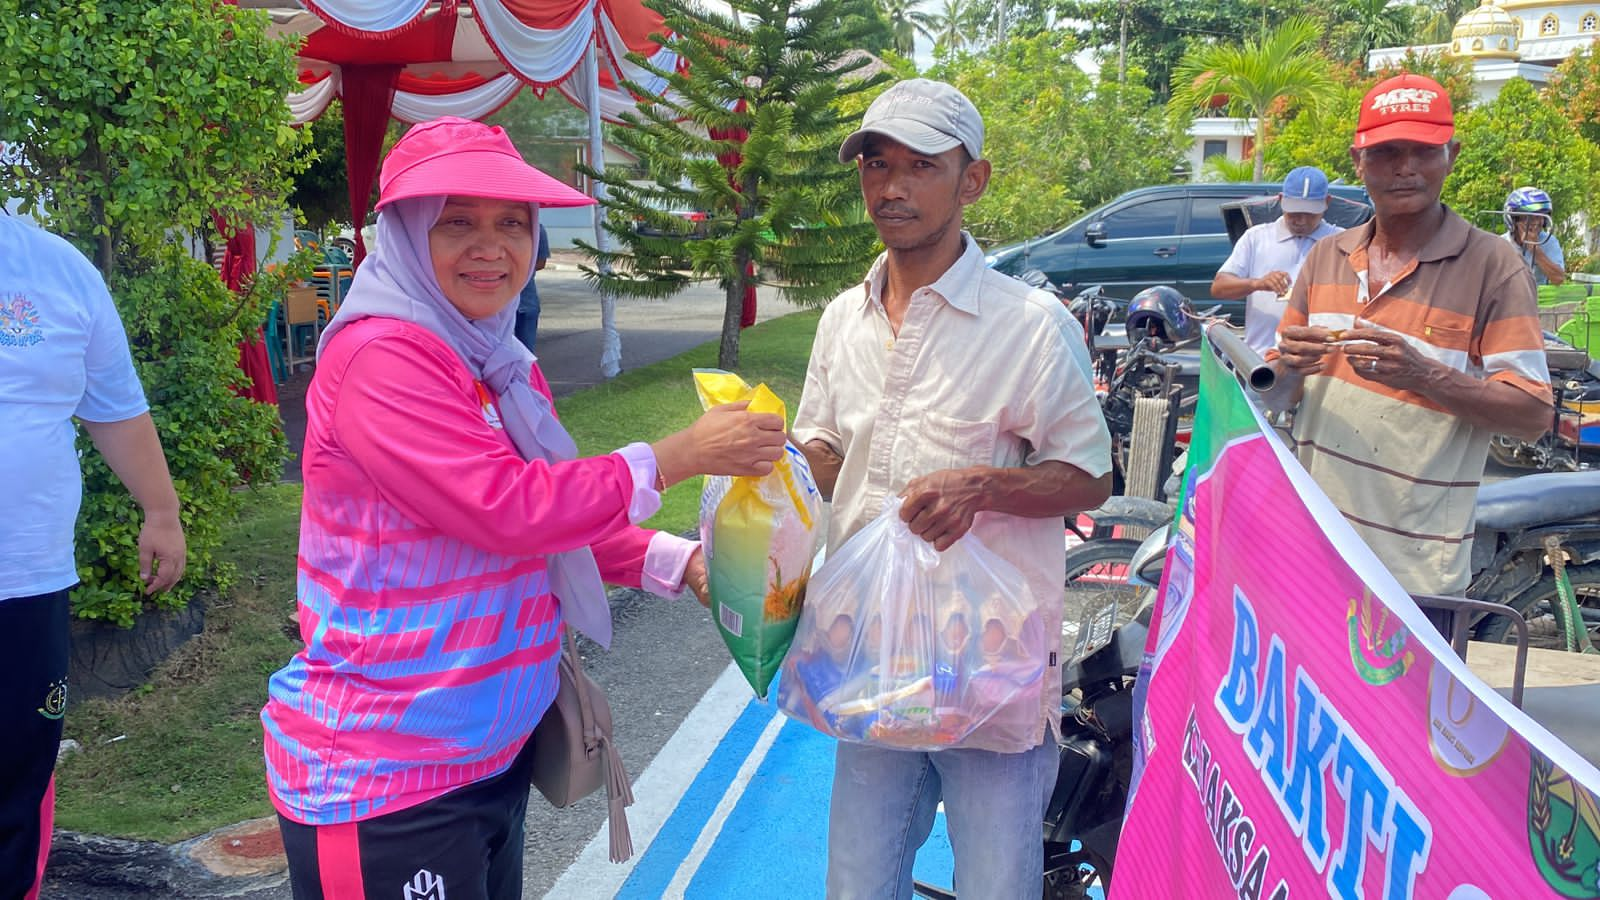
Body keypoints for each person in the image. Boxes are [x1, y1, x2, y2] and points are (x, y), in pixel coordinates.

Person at [259, 117, 785, 900]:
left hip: (484, 757)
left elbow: (556, 523)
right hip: (385, 778)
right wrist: (679, 456)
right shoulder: (382, 359)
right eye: (457, 223)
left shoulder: (496, 362)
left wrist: (678, 561)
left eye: (512, 224)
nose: (490, 247)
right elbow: (506, 509)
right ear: (404, 236)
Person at [793, 79, 1113, 899]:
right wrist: (781, 463)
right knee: (857, 883)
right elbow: (829, 451)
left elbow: (1091, 476)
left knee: (997, 884)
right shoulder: (843, 318)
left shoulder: (1030, 324)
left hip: (989, 665)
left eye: (920, 167)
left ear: (973, 180)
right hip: (872, 659)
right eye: (876, 164)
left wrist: (986, 486)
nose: (890, 188)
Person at [1271, 73, 1551, 603]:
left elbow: (1532, 415)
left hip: (1414, 574)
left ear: (1452, 154)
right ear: (1358, 161)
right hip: (1312, 552)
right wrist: (1289, 366)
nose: (1405, 167)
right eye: (1386, 152)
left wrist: (1424, 374)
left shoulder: (1494, 266)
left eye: (1423, 150)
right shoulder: (1326, 258)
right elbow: (1275, 397)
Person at [0, 212, 187, 897]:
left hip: (24, 584)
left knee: (16, 783)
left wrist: (160, 511)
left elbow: (113, 403)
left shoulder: (57, 270)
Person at [1211, 166, 1345, 354]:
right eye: (1294, 212)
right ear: (1281, 200)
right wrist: (1257, 283)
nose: (1301, 220)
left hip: (1319, 362)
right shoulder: (1256, 237)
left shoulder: (1343, 242)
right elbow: (1219, 288)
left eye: (1311, 213)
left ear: (1327, 203)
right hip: (1262, 360)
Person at [1502, 186, 1566, 286]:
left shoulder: (1549, 241)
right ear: (1514, 219)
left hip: (1537, 299)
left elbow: (1558, 279)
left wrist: (1534, 248)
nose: (1536, 223)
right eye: (1530, 217)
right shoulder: (1500, 243)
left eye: (1540, 217)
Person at [513, 222, 549, 352]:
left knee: (526, 354)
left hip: (526, 299)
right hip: (497, 303)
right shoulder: (494, 226)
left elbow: (541, 262)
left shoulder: (537, 228)